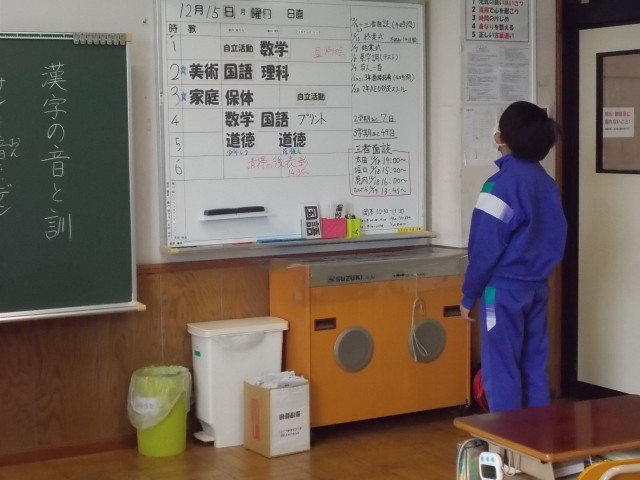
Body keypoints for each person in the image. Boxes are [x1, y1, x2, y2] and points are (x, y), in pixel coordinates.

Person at [460, 101, 567, 413]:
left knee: (501, 369)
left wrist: (469, 295)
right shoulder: (547, 184)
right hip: (538, 288)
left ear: (500, 138)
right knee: (533, 365)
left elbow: (484, 248)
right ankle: (537, 437)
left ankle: (505, 440)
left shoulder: (499, 185)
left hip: (503, 292)